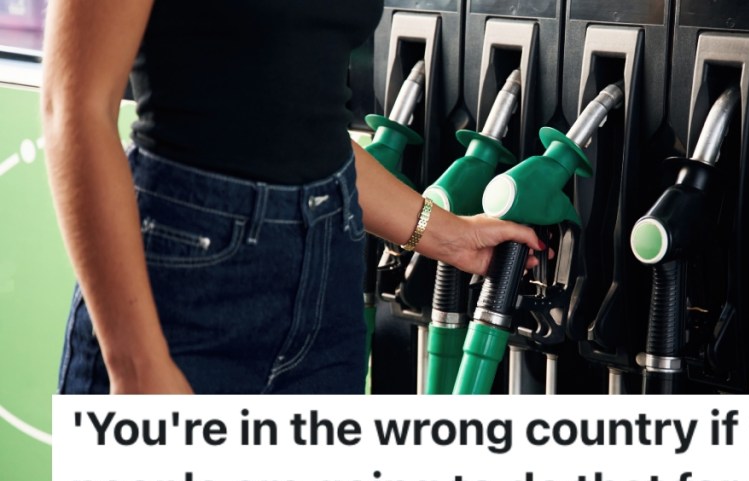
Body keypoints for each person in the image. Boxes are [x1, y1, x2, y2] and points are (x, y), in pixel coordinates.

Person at [41, 0, 543, 394]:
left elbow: (303, 124)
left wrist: (450, 237)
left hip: (327, 281)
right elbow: (74, 109)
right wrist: (136, 362)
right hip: (184, 283)